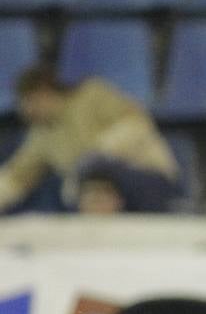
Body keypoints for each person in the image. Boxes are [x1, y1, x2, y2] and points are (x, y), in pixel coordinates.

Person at [0, 66, 179, 214]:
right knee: (71, 192)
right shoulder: (40, 135)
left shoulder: (91, 95)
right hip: (93, 188)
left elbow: (137, 124)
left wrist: (94, 156)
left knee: (93, 169)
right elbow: (17, 177)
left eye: (30, 101)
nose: (26, 110)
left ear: (45, 91)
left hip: (145, 176)